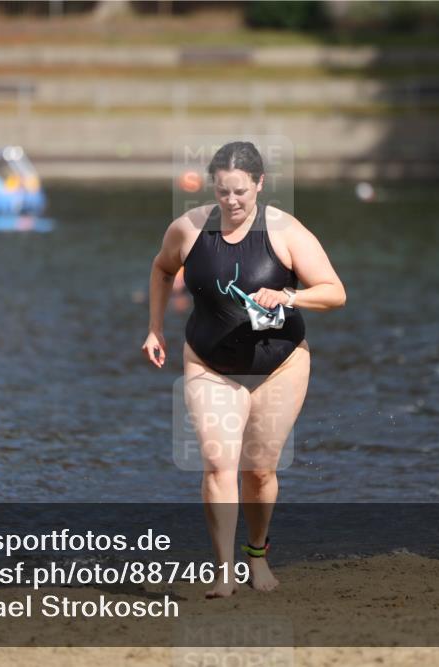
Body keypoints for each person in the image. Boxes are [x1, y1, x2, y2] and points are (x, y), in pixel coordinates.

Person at [142, 141, 346, 598]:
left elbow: (335, 292)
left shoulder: (285, 231)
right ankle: (223, 570)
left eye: (240, 191)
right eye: (222, 191)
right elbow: (160, 270)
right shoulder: (189, 228)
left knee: (259, 471)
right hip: (209, 362)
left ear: (259, 184)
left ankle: (257, 553)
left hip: (281, 365)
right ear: (212, 186)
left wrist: (290, 296)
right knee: (218, 464)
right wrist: (155, 329)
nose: (231, 202)